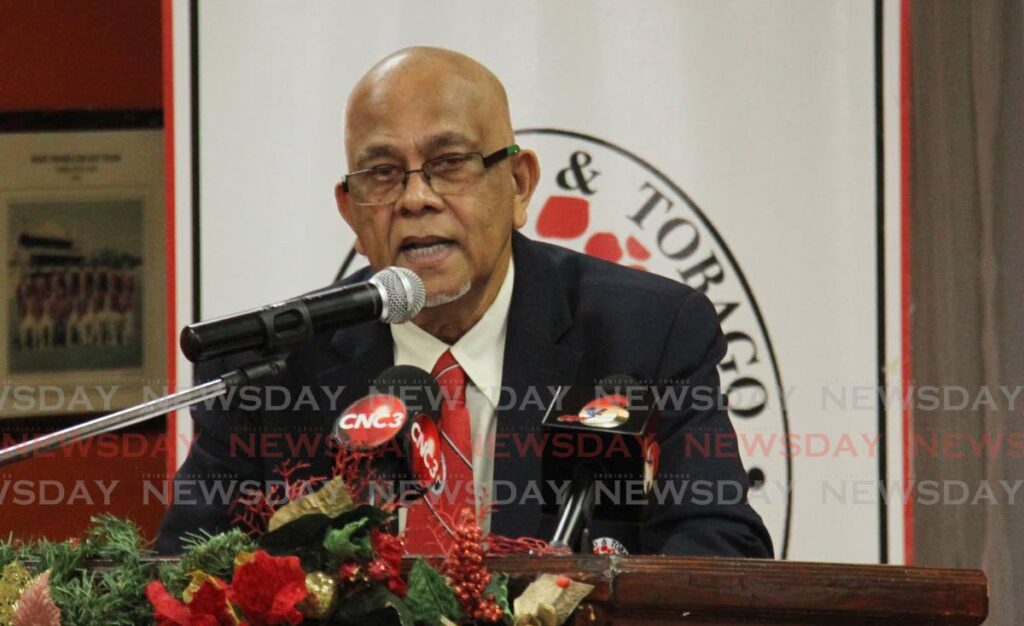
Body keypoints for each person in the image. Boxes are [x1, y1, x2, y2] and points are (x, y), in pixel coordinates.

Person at [157, 47, 772, 558]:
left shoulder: (647, 335)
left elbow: (718, 545)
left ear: (519, 184)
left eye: (450, 163)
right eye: (382, 173)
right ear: (351, 211)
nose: (416, 198)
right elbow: (185, 573)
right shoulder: (275, 369)